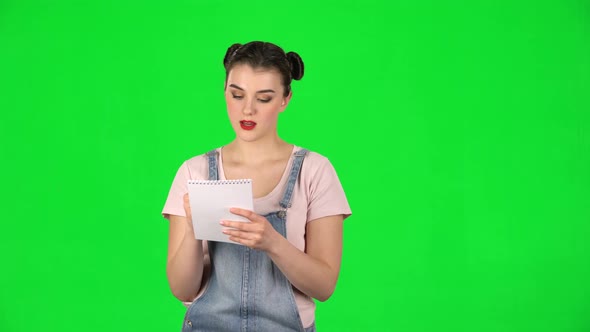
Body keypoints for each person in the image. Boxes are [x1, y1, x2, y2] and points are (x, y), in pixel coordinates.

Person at [162, 41, 352, 332]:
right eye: (237, 95)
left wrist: (272, 242)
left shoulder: (314, 171)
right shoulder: (194, 171)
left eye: (263, 98)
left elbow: (324, 286)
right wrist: (191, 227)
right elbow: (182, 290)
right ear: (225, 91)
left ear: (285, 99)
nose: (247, 109)